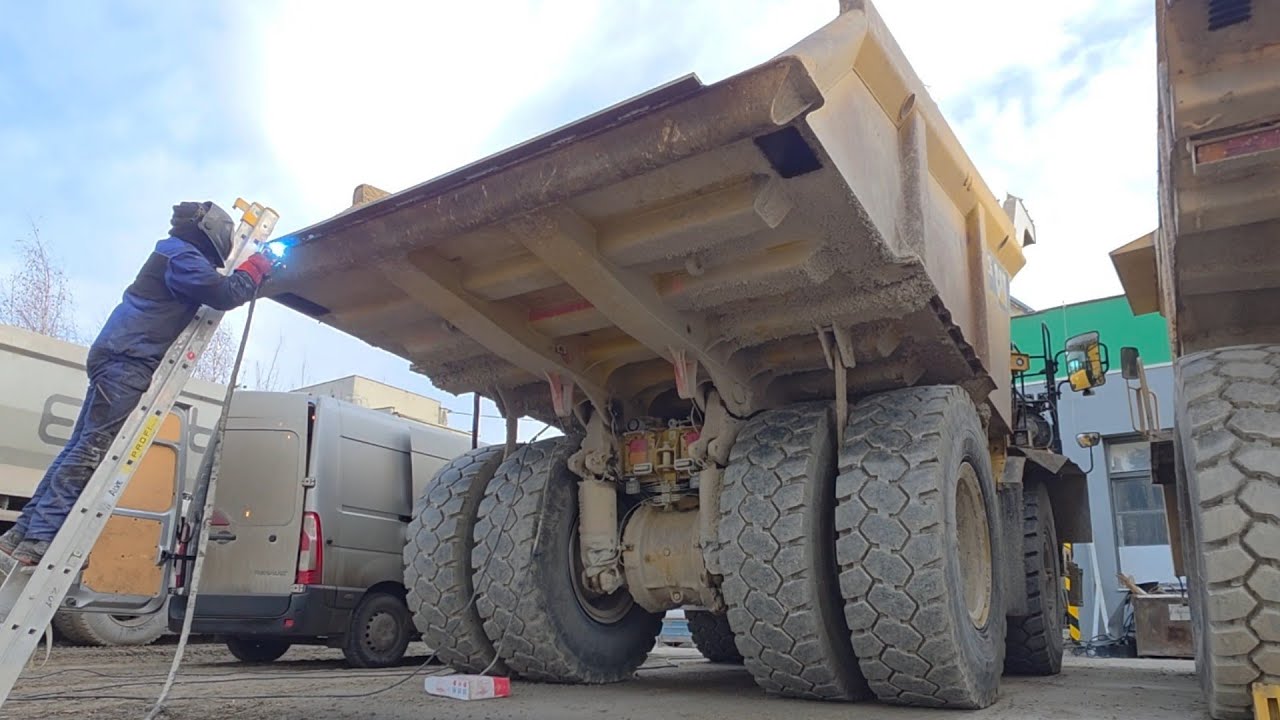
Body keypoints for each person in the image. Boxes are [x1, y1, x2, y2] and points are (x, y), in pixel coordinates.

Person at [0, 201, 274, 565]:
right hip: (127, 359)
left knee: (78, 447)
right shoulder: (182, 257)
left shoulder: (172, 252)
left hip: (117, 353)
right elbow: (224, 294)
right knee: (91, 450)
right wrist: (257, 265)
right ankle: (40, 538)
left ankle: (23, 533)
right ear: (212, 232)